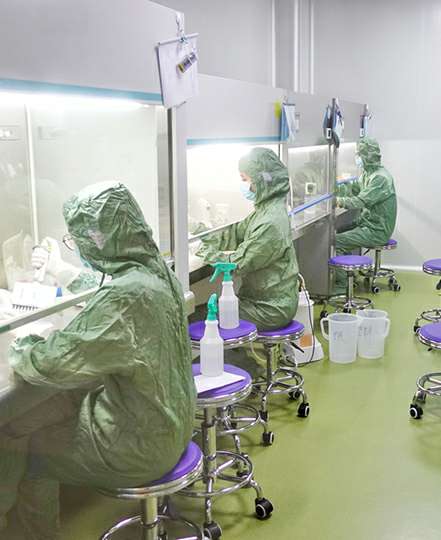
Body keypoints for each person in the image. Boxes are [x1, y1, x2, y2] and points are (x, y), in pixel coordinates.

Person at [0, 182, 196, 540]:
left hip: (140, 447)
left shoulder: (126, 299)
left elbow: (49, 364)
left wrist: (23, 341)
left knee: (30, 456)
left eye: (77, 240)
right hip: (172, 423)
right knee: (42, 413)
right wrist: (63, 270)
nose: (79, 247)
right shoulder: (156, 271)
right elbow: (113, 288)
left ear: (98, 239)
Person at [197, 147, 299, 331]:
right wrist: (198, 231)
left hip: (271, 308)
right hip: (260, 299)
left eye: (245, 179)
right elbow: (235, 233)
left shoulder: (270, 222)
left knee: (196, 317)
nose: (243, 185)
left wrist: (203, 251)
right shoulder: (266, 210)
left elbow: (236, 264)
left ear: (260, 180)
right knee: (203, 312)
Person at [335, 137, 397, 290]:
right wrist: (338, 186)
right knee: (336, 232)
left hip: (377, 230)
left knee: (336, 241)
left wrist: (338, 201)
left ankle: (343, 286)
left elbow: (360, 201)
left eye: (359, 155)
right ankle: (350, 276)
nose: (357, 158)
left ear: (367, 156)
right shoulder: (368, 174)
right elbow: (355, 189)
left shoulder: (380, 178)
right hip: (367, 223)